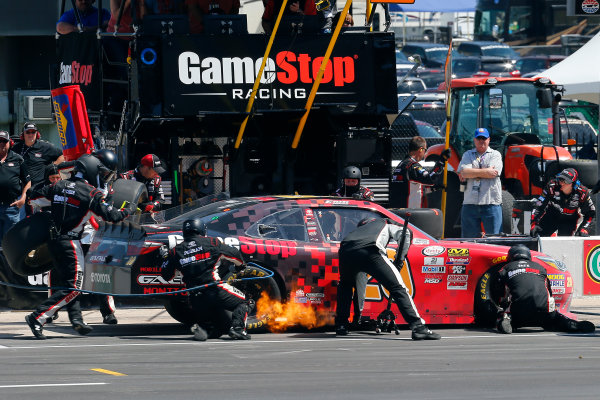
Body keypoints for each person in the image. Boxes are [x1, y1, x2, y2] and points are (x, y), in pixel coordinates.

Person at [24, 154, 131, 340]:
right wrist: (129, 209)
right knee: (74, 288)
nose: (102, 176)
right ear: (90, 170)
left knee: (68, 284)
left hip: (53, 242)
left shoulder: (58, 185)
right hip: (71, 243)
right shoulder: (91, 193)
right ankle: (37, 317)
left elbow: (33, 193)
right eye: (100, 172)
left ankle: (76, 319)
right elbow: (112, 216)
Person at [335, 217, 441, 340]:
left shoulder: (356, 232)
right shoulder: (384, 222)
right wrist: (400, 260)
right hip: (371, 250)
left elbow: (360, 286)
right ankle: (418, 327)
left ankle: (341, 325)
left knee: (345, 286)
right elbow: (406, 233)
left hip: (345, 251)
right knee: (398, 288)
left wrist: (357, 317)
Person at [160, 218, 253, 340]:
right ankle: (238, 329)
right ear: (201, 230)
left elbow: (167, 276)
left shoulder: (175, 251)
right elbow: (234, 253)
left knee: (214, 332)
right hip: (215, 290)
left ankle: (203, 329)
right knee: (246, 302)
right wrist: (240, 266)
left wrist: (165, 257)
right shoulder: (212, 242)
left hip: (195, 298)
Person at [496, 244, 595, 334]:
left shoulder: (505, 268)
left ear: (511, 256)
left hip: (519, 315)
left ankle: (506, 321)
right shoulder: (540, 268)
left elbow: (500, 294)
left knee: (501, 314)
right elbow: (549, 291)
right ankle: (571, 324)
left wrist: (501, 306)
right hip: (544, 313)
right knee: (556, 319)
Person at [457, 127, 503, 238]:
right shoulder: (467, 155)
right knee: (469, 241)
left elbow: (493, 173)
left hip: (491, 203)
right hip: (470, 203)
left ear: (489, 139)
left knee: (495, 240)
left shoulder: (495, 154)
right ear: (474, 140)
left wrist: (471, 172)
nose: (481, 141)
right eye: (479, 138)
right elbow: (463, 173)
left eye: (484, 138)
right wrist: (486, 171)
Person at [13, 122, 64, 217]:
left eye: (33, 132)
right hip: (20, 190)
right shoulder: (16, 148)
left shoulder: (45, 147)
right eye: (28, 132)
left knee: (36, 217)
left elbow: (62, 155)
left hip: (38, 190)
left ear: (37, 134)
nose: (31, 134)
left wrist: (53, 166)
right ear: (23, 135)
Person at [530, 168, 595, 237]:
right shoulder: (552, 186)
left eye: (565, 181)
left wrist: (584, 229)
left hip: (569, 220)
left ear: (573, 183)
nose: (561, 183)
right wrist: (534, 223)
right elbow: (539, 205)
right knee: (537, 236)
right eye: (560, 179)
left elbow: (591, 213)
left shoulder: (582, 192)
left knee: (566, 243)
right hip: (551, 216)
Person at [390, 136, 451, 208]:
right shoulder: (412, 166)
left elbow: (410, 188)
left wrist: (434, 188)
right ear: (421, 149)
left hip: (399, 211)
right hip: (409, 213)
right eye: (425, 150)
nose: (425, 153)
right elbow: (430, 179)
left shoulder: (402, 164)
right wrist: (441, 161)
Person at [0, 130, 31, 248]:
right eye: (0, 141)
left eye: (4, 141)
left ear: (9, 143)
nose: (2, 143)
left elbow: (27, 181)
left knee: (11, 243)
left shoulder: (18, 159)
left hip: (11, 207)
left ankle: (9, 267)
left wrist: (23, 198)